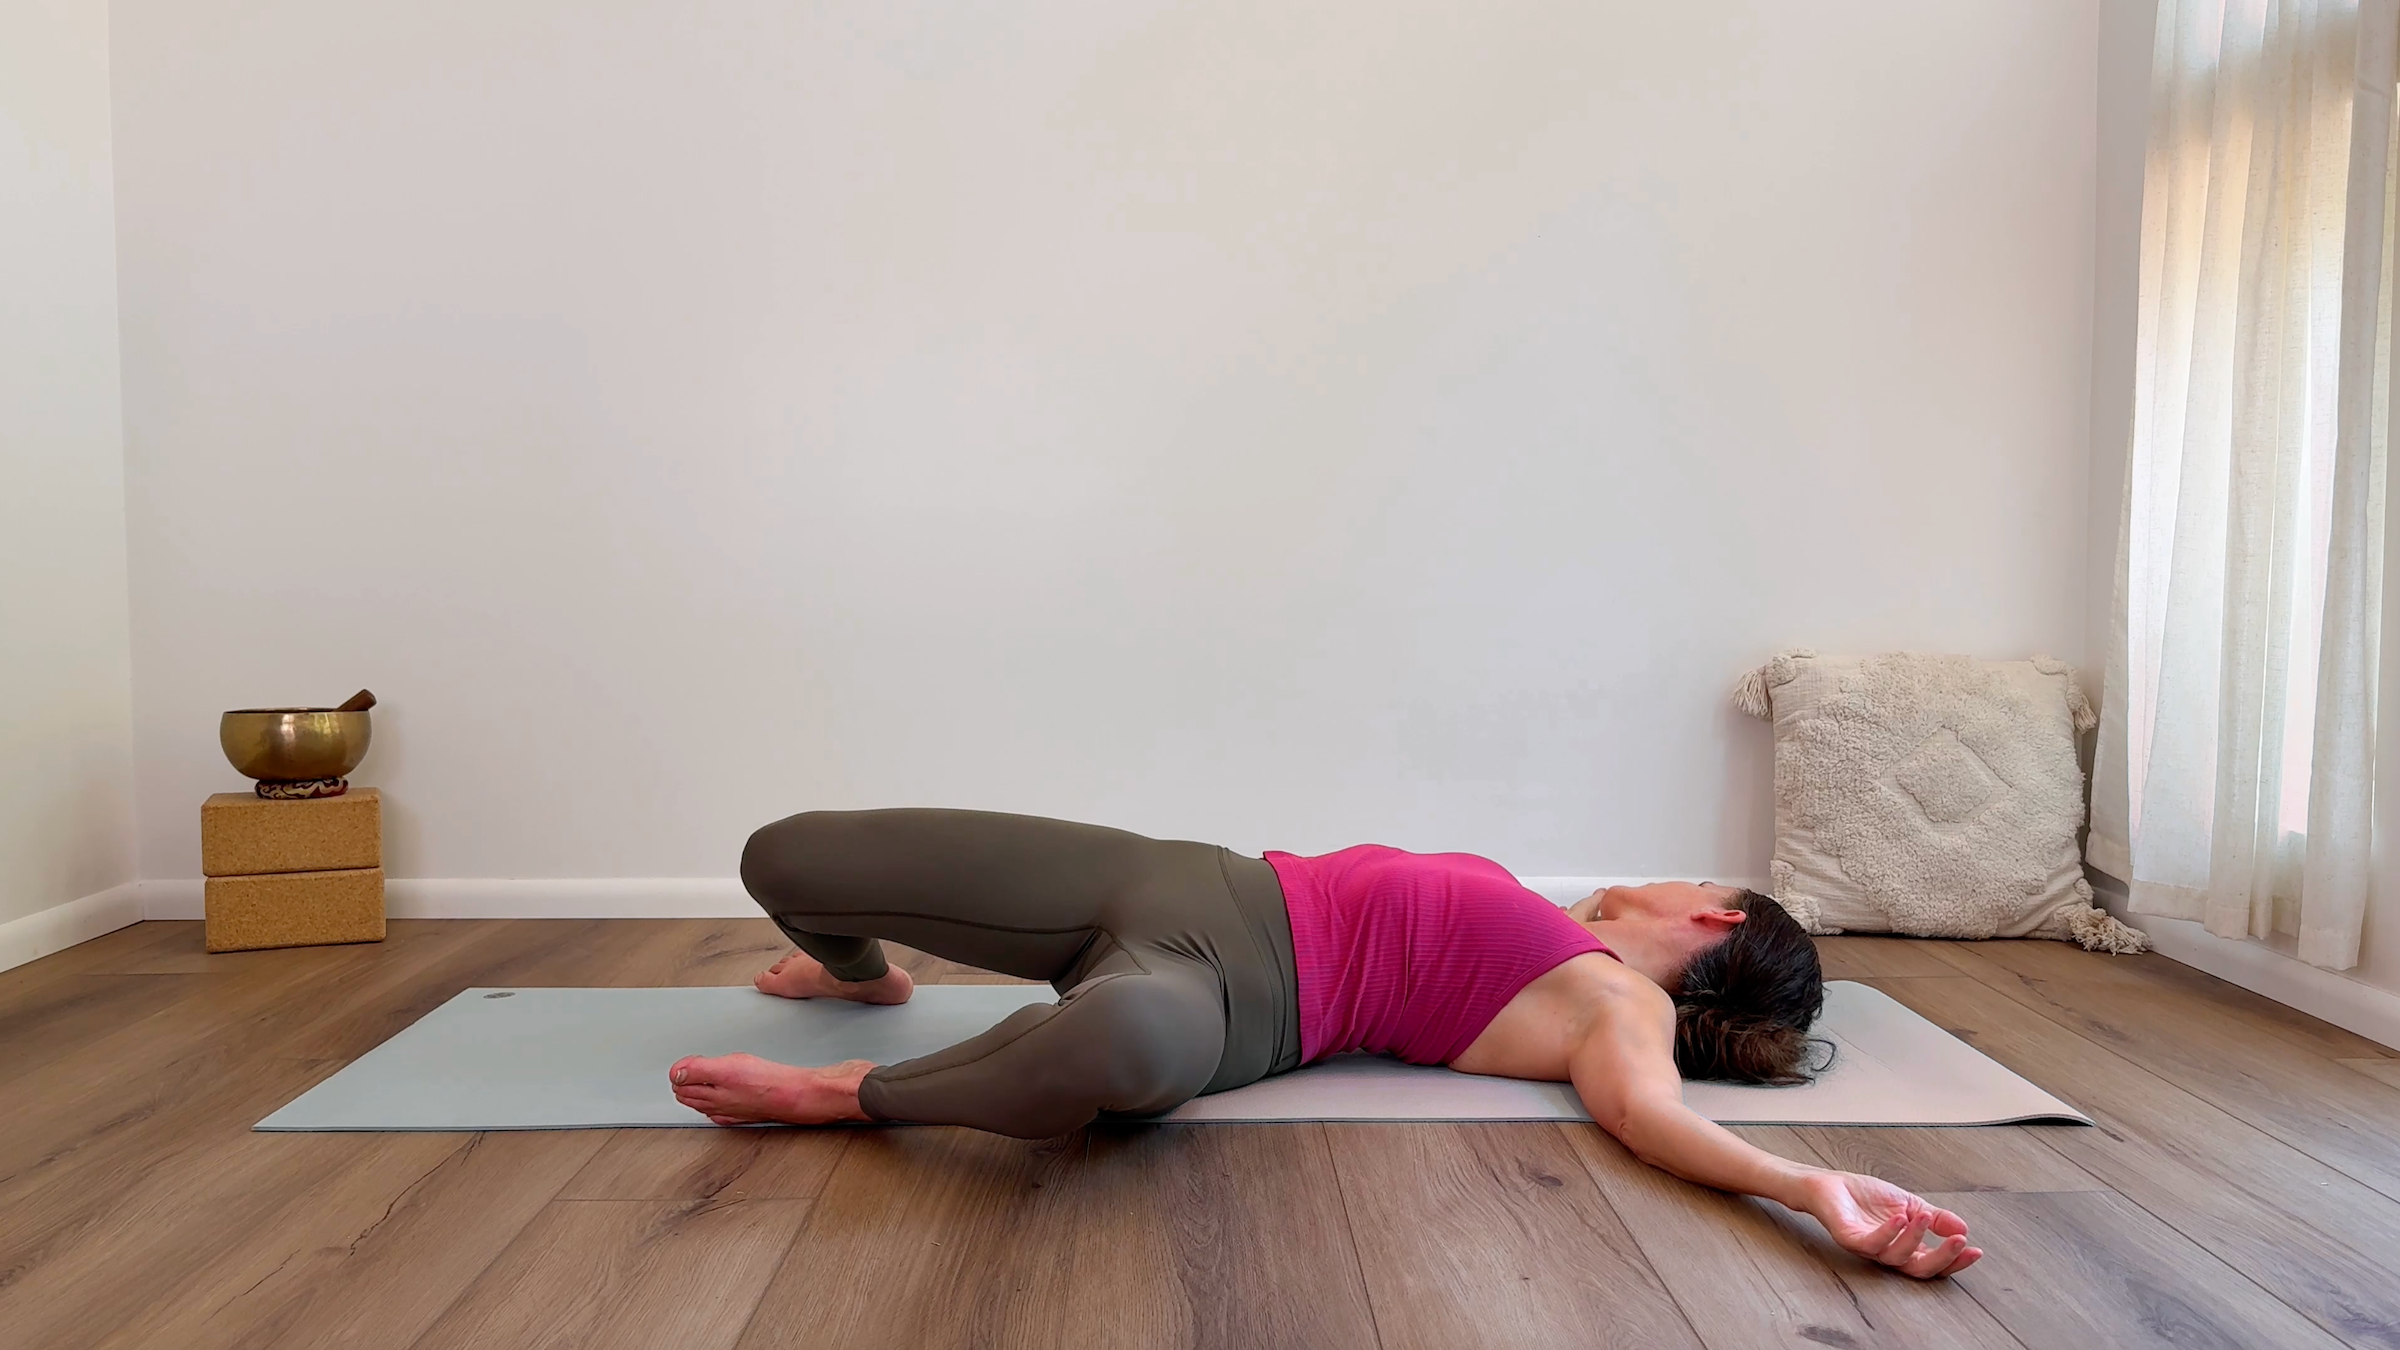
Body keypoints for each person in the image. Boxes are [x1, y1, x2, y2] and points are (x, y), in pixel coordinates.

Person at [668, 808, 1981, 1280]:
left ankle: (861, 1090)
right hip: (1181, 879)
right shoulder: (1559, 930)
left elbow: (1653, 1117)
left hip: (1229, 1004)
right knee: (784, 853)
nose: (1643, 881)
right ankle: (861, 975)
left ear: (1714, 915)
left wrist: (1809, 1187)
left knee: (1118, 1039)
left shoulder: (1619, 1004)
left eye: (1683, 879)